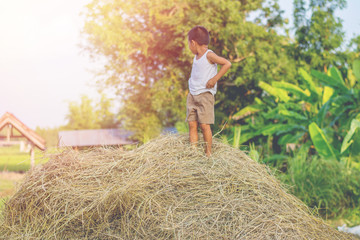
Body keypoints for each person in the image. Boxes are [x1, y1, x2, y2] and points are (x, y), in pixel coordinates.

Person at [186, 26, 231, 157]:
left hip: (205, 95)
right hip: (192, 94)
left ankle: (208, 154)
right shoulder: (196, 57)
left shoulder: (209, 55)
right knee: (192, 124)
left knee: (204, 125)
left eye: (189, 44)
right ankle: (193, 152)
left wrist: (214, 79)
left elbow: (227, 64)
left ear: (193, 42)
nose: (189, 47)